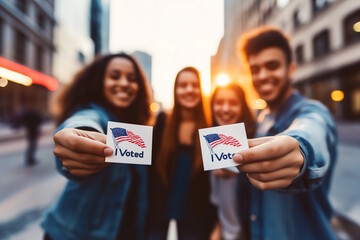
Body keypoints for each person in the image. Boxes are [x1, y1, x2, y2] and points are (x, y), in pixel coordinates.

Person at [232, 27, 338, 239]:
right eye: (255, 69)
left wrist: (301, 148)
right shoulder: (261, 118)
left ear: (291, 69)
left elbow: (312, 129)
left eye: (272, 66)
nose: (262, 76)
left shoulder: (312, 110)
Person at [41, 53, 152, 240]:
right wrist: (79, 136)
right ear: (100, 82)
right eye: (114, 76)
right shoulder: (92, 114)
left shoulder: (138, 129)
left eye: (131, 79)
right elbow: (83, 122)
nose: (124, 83)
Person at [146, 67, 217, 239]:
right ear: (175, 90)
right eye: (183, 85)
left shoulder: (211, 127)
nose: (189, 90)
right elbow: (149, 165)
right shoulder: (163, 121)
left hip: (196, 216)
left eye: (194, 85)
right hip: (159, 210)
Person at [209, 83, 256, 240]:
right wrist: (218, 228)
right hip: (224, 232)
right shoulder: (209, 143)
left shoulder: (255, 141)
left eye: (233, 103)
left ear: (242, 106)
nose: (225, 108)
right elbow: (216, 198)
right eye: (219, 102)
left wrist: (239, 173)